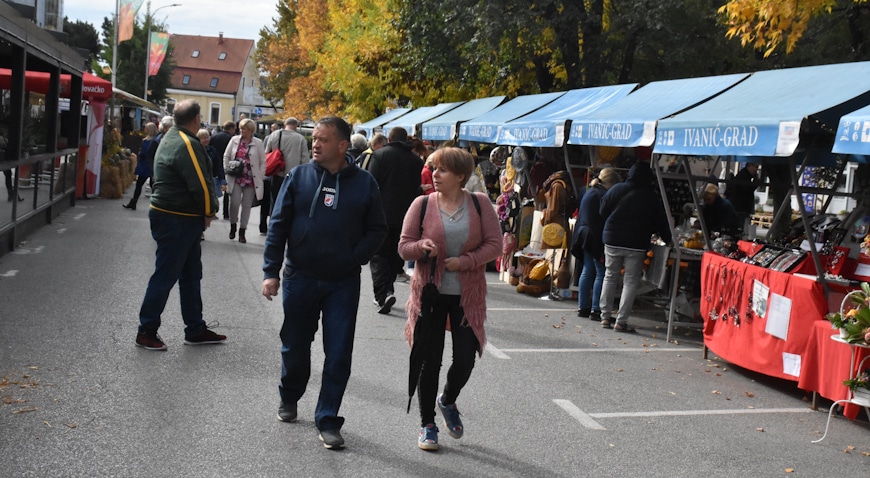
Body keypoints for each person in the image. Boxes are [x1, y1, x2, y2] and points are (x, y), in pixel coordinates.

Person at [261, 116, 387, 450]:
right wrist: (270, 271)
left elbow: (378, 229)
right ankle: (289, 395)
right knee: (295, 344)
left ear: (343, 146)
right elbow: (278, 224)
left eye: (323, 139)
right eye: (314, 138)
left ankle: (328, 418)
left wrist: (354, 257)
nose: (315, 144)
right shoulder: (299, 176)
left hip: (342, 283)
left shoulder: (364, 183)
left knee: (338, 353)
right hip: (299, 276)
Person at [398, 147, 501, 451]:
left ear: (460, 176)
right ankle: (427, 425)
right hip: (430, 294)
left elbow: (495, 244)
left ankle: (448, 400)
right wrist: (421, 247)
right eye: (433, 168)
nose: (434, 174)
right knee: (430, 362)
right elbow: (403, 247)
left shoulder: (480, 204)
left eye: (442, 170)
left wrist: (467, 261)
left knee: (466, 359)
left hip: (466, 296)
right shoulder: (422, 203)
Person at [135, 99, 224, 351]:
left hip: (175, 216)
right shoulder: (187, 143)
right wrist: (209, 211)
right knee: (166, 275)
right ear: (196, 119)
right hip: (177, 218)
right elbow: (200, 181)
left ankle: (195, 328)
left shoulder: (172, 137)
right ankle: (147, 330)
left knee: (190, 274)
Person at [598, 161, 672, 333]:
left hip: (612, 238)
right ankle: (621, 321)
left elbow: (602, 210)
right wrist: (668, 239)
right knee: (630, 281)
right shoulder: (651, 196)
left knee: (610, 276)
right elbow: (660, 222)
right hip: (636, 244)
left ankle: (605, 316)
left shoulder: (617, 189)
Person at [367, 127, 425, 314]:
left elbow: (371, 184)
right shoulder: (416, 161)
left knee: (378, 256)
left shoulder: (380, 155)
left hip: (380, 214)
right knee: (394, 255)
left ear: (389, 139)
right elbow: (415, 188)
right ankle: (387, 288)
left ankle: (382, 293)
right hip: (405, 216)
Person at [573, 168, 621, 320]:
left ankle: (583, 307)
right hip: (595, 234)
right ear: (611, 183)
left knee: (587, 270)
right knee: (601, 272)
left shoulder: (590, 191)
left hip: (583, 233)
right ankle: (596, 309)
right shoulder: (603, 195)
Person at [223, 118, 266, 243]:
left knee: (246, 206)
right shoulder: (234, 140)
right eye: (241, 128)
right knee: (234, 203)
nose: (242, 131)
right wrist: (227, 170)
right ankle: (233, 226)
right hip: (235, 177)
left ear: (251, 130)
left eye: (245, 129)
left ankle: (242, 231)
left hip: (250, 178)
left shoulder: (258, 143)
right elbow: (226, 156)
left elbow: (263, 161)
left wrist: (260, 175)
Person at [265, 116, 310, 225]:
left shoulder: (274, 135)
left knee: (275, 201)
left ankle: (273, 223)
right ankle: (285, 224)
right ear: (295, 126)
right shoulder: (300, 139)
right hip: (293, 177)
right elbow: (305, 160)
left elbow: (266, 154)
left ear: (285, 124)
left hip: (276, 173)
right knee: (289, 202)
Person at [123, 122, 159, 210]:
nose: (144, 130)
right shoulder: (151, 140)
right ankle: (135, 202)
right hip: (146, 164)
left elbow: (148, 153)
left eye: (146, 128)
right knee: (145, 184)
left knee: (147, 184)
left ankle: (135, 202)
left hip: (148, 163)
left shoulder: (153, 141)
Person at [210, 121, 235, 219]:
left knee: (213, 188)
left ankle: (213, 210)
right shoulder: (230, 139)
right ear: (231, 128)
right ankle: (226, 213)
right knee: (227, 190)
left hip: (215, 164)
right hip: (227, 165)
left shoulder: (215, 136)